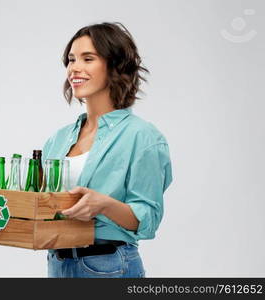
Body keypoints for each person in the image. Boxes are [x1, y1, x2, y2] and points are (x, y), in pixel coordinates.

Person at [41, 22, 173, 278]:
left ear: (114, 65)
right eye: (71, 60)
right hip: (58, 264)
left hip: (108, 267)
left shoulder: (142, 136)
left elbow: (148, 219)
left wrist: (103, 205)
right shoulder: (57, 139)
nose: (74, 68)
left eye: (87, 58)